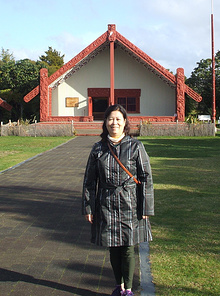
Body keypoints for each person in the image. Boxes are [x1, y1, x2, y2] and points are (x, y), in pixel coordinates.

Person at [82, 104, 154, 296]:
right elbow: (90, 181)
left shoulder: (135, 146)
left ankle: (128, 289)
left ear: (124, 123)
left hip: (130, 202)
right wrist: (89, 207)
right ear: (105, 123)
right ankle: (118, 285)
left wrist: (146, 206)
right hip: (106, 202)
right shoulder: (98, 149)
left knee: (128, 247)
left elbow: (146, 177)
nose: (114, 123)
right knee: (113, 246)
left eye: (118, 119)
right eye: (110, 119)